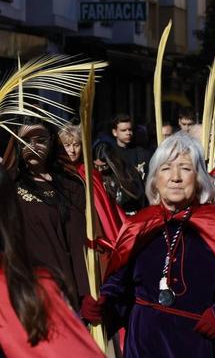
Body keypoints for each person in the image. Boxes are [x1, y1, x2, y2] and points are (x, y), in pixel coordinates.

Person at [81, 132, 215, 358]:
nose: (175, 177)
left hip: (198, 346)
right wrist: (102, 305)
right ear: (155, 180)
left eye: (185, 168)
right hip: (144, 346)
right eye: (166, 168)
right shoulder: (138, 226)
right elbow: (119, 289)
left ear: (198, 179)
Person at [0, 164, 104, 357]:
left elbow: (78, 241)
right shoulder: (15, 180)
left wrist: (85, 291)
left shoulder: (68, 186)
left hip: (46, 278)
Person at [4, 120, 89, 310]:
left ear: (51, 142)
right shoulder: (8, 186)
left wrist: (85, 294)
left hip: (60, 289)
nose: (33, 146)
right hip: (21, 289)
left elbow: (77, 245)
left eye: (40, 140)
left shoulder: (71, 187)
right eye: (25, 140)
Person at [59, 125, 125, 244]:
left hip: (89, 228)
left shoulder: (90, 173)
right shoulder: (55, 172)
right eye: (67, 145)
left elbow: (102, 205)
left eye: (76, 145)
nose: (72, 150)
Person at [93, 141, 146, 215]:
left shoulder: (129, 174)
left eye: (104, 166)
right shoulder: (96, 178)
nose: (100, 170)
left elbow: (140, 198)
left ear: (112, 162)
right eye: (96, 166)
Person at [111, 114, 151, 181]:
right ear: (115, 132)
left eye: (130, 129)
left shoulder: (142, 152)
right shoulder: (111, 154)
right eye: (123, 130)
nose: (128, 133)